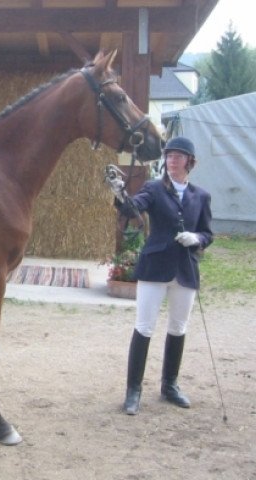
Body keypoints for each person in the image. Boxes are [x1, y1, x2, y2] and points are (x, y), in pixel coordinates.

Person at [107, 136, 214, 415]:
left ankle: (170, 385)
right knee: (144, 327)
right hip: (155, 268)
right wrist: (121, 195)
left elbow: (208, 233)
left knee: (178, 329)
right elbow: (134, 208)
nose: (172, 161)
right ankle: (133, 391)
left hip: (185, 270)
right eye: (169, 156)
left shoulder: (201, 196)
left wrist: (197, 238)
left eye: (178, 157)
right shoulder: (154, 189)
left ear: (190, 162)